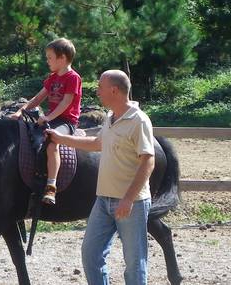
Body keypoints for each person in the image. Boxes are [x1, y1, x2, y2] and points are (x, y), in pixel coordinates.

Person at [46, 70, 155, 285]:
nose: (97, 92)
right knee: (90, 254)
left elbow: (148, 161)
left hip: (132, 204)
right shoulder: (110, 117)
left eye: (100, 87)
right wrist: (61, 139)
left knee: (134, 262)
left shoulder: (139, 121)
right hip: (103, 200)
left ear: (114, 90)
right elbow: (97, 144)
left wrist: (129, 199)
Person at [11, 37, 82, 204]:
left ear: (62, 58)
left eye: (50, 57)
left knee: (52, 141)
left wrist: (48, 117)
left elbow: (66, 102)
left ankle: (51, 186)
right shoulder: (53, 78)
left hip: (66, 121)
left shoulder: (73, 78)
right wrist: (20, 111)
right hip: (52, 118)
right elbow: (38, 98)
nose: (47, 61)